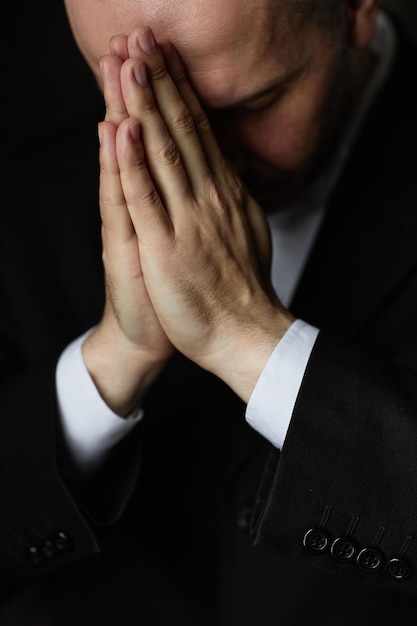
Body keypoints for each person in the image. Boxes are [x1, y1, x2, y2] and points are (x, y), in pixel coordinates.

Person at [1, 0, 417, 623]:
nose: (203, 164)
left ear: (356, 11)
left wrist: (252, 343)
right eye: (135, 96)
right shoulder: (20, 211)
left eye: (253, 105)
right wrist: (112, 363)